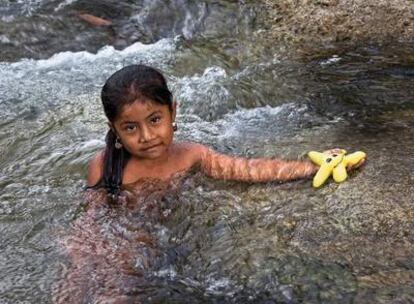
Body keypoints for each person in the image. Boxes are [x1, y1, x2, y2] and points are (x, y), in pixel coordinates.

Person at [87, 64, 363, 197]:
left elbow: (244, 169)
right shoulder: (105, 167)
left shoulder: (191, 155)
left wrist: (307, 168)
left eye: (155, 120)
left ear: (173, 111)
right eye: (131, 127)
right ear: (114, 128)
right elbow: (89, 226)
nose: (146, 136)